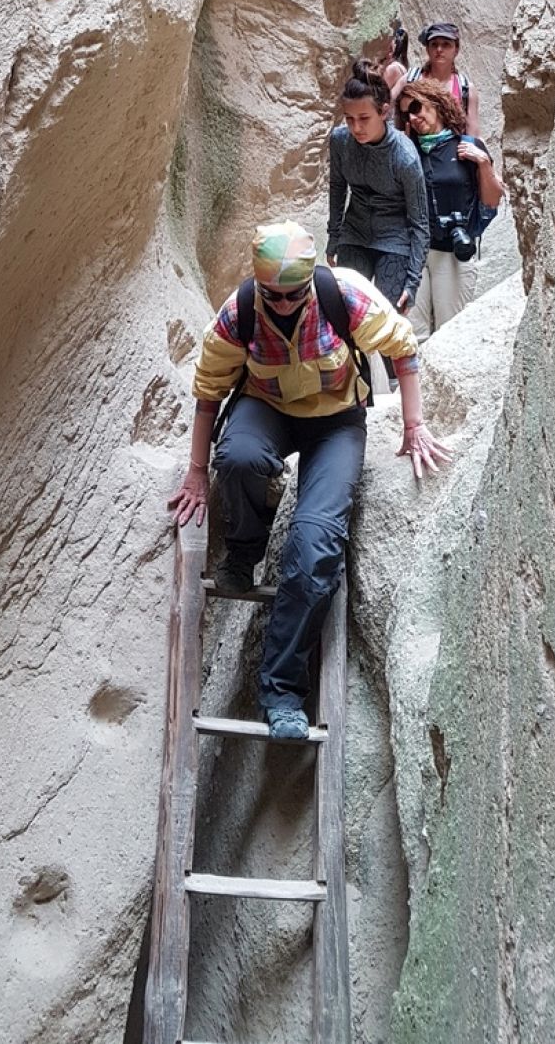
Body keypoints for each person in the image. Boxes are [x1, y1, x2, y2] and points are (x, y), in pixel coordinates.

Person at [169, 221, 451, 740]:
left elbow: (402, 346)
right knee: (238, 458)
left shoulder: (343, 294)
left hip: (335, 423)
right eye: (272, 295)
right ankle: (244, 551)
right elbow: (209, 392)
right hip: (267, 408)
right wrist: (196, 472)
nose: (281, 304)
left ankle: (281, 692)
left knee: (315, 542)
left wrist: (414, 425)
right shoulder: (240, 311)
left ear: (310, 279)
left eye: (292, 294)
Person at [326, 59, 429, 336]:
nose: (356, 127)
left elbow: (420, 221)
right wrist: (334, 237)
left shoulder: (404, 156)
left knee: (386, 326)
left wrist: (413, 280)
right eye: (349, 119)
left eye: (364, 118)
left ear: (384, 112)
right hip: (354, 233)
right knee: (345, 323)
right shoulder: (340, 141)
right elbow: (337, 188)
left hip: (394, 241)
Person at [399, 78, 503, 342]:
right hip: (413, 252)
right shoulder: (407, 151)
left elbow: (492, 201)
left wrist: (483, 163)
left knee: (450, 334)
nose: (413, 117)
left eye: (416, 107)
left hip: (453, 252)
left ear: (436, 103)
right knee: (413, 336)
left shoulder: (467, 146)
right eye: (406, 113)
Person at [393, 21, 480, 135]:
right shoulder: (410, 80)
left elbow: (473, 133)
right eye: (434, 44)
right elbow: (385, 108)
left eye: (446, 44)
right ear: (427, 49)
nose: (439, 49)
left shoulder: (465, 89)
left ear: (456, 50)